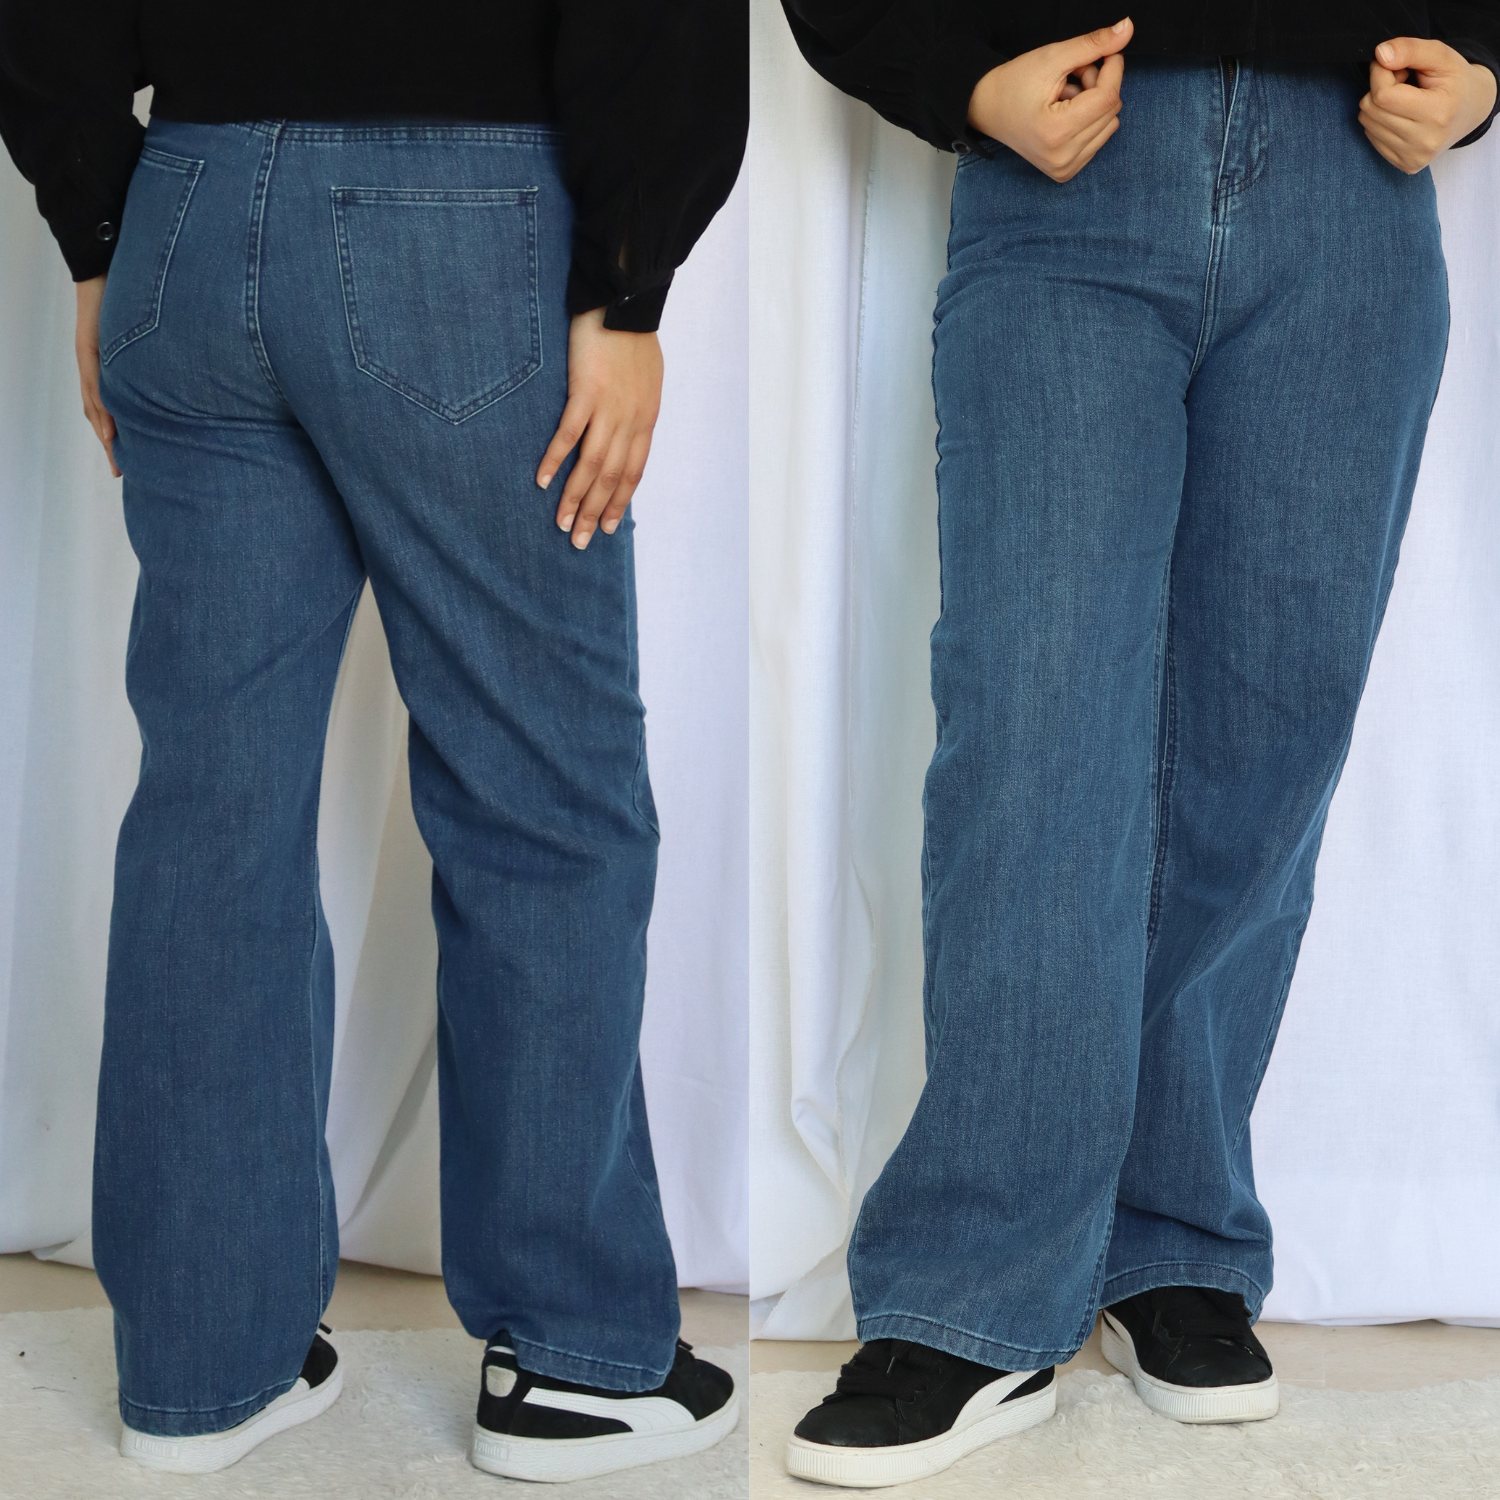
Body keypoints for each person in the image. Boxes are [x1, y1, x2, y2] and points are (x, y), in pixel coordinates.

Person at [0, 0, 745, 1481]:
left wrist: (99, 231)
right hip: (459, 211)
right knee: (541, 793)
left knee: (211, 804)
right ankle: (576, 1357)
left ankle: (203, 1360)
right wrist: (627, 282)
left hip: (190, 207)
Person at [776, 1, 1497, 1487]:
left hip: (1354, 186)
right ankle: (974, 1291)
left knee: (1263, 745)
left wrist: (1487, 75)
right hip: (1073, 175)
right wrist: (959, 78)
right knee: (1032, 735)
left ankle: (1173, 1241)